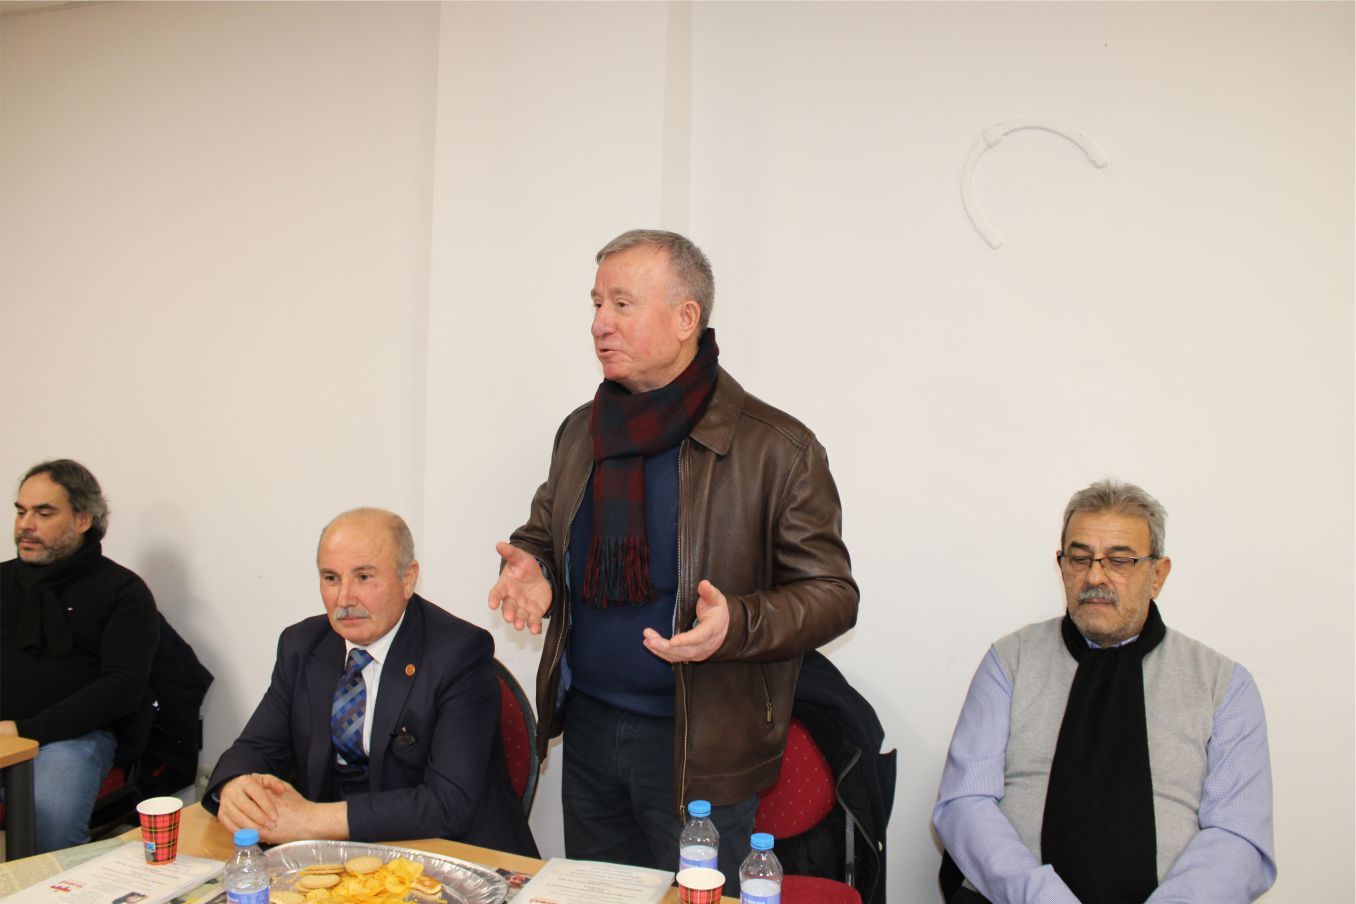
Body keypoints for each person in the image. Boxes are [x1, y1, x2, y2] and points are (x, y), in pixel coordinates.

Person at [488, 229, 858, 888]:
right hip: (591, 730)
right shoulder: (582, 432)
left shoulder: (778, 448)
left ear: (687, 318)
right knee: (598, 898)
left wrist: (737, 623)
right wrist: (535, 570)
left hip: (701, 748)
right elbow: (543, 533)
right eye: (596, 303)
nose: (599, 323)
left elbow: (833, 594)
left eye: (621, 304)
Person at [933, 479, 1276, 904]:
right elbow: (965, 803)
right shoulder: (1009, 661)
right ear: (1061, 566)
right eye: (1080, 558)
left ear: (1157, 575)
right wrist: (1041, 897)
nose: (1095, 576)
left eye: (1119, 561)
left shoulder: (1223, 684)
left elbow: (1238, 834)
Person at [205, 508, 536, 856]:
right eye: (331, 578)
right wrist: (235, 787)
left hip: (449, 853)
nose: (345, 598)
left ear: (408, 579)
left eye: (363, 577)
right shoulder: (301, 645)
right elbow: (254, 749)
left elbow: (447, 805)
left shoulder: (459, 653)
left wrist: (311, 819)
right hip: (335, 856)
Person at [1, 459, 160, 853]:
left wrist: (24, 729)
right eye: (21, 512)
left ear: (83, 519)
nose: (25, 525)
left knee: (48, 818)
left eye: (44, 513)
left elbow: (121, 688)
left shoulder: (122, 591)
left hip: (71, 738)